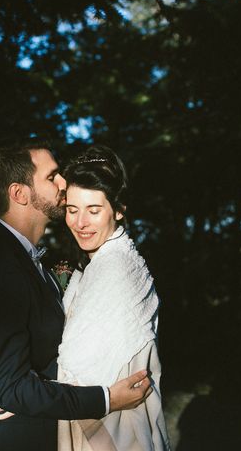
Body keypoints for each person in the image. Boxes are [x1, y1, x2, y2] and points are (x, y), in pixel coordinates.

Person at [0, 138, 152, 451]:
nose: (63, 182)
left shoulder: (31, 261)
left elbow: (45, 358)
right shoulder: (0, 268)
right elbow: (8, 386)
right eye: (51, 176)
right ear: (20, 193)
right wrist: (107, 398)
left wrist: (30, 390)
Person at [56, 144, 171, 450]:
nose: (80, 222)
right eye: (72, 209)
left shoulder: (115, 267)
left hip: (113, 429)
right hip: (101, 415)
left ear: (119, 210)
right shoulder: (99, 261)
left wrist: (15, 393)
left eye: (94, 210)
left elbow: (75, 365)